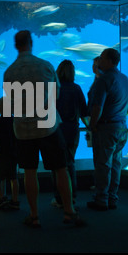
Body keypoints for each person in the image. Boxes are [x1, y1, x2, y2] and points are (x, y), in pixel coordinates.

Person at [4, 30, 84, 227]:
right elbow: (55, 96)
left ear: (16, 45)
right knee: (60, 168)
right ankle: (69, 211)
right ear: (31, 42)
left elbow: (10, 102)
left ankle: (34, 215)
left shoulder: (9, 72)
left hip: (23, 129)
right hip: (48, 126)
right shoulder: (46, 66)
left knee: (29, 172)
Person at [87, 48, 128, 211]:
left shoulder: (104, 80)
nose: (99, 61)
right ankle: (113, 197)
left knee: (103, 164)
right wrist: (120, 116)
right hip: (122, 127)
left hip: (106, 128)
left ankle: (101, 199)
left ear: (108, 60)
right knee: (115, 164)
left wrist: (93, 124)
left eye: (101, 58)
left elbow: (97, 106)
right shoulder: (126, 80)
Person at [51, 60, 89, 208]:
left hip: (55, 130)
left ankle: (59, 197)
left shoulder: (53, 88)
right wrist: (90, 126)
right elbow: (84, 112)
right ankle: (71, 196)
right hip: (73, 130)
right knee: (70, 162)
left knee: (57, 164)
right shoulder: (76, 88)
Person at [0, 97, 19, 210]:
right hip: (13, 153)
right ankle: (15, 201)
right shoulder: (15, 119)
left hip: (0, 153)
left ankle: (2, 197)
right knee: (13, 177)